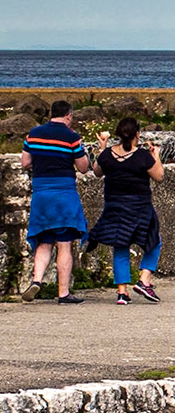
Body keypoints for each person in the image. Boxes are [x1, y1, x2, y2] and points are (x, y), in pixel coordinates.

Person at [18, 99, 92, 304]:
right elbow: (83, 167)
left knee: (44, 241)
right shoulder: (72, 137)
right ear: (68, 115)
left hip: (41, 194)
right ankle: (63, 293)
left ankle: (37, 280)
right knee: (64, 244)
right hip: (64, 194)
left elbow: (25, 163)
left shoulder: (33, 134)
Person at [88, 117, 164, 305]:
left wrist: (102, 148)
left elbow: (97, 171)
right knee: (154, 242)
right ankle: (144, 279)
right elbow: (159, 176)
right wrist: (157, 156)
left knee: (120, 246)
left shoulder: (107, 156)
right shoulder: (143, 156)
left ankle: (122, 293)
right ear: (137, 134)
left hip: (114, 207)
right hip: (140, 208)